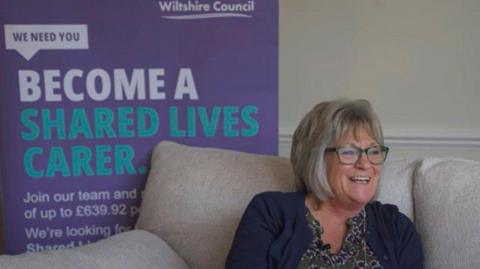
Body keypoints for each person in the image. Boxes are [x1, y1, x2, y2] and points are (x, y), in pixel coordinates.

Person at [225, 99, 423, 269]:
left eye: (373, 151)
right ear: (316, 159)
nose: (365, 163)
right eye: (349, 151)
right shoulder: (270, 213)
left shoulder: (397, 228)